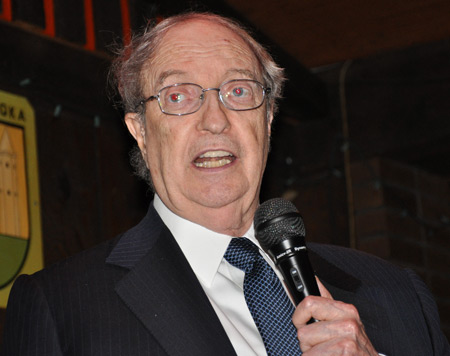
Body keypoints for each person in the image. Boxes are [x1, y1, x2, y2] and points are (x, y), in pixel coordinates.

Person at [1, 12, 449, 356]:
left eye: (238, 91)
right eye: (178, 96)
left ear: (268, 119)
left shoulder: (397, 295)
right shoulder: (64, 307)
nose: (215, 121)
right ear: (139, 129)